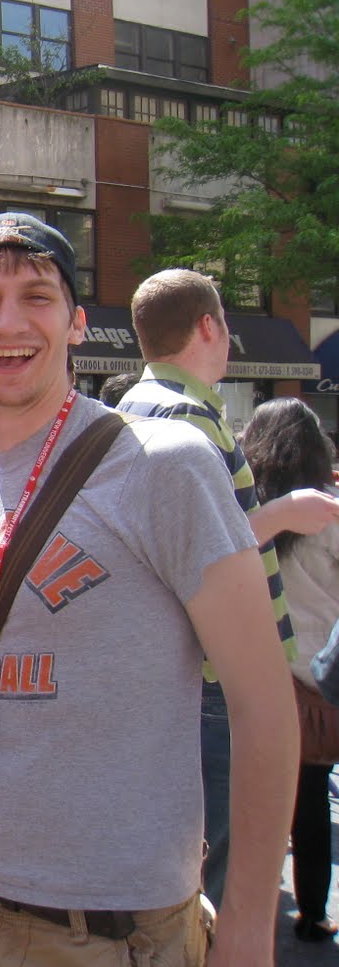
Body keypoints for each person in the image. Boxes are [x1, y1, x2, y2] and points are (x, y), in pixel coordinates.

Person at [0, 213, 297, 967]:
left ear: (77, 323)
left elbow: (266, 712)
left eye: (37, 296)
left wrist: (246, 949)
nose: (10, 322)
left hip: (111, 947)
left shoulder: (165, 466)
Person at [117, 268, 338, 909]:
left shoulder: (136, 406)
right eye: (226, 328)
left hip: (183, 671)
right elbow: (206, 550)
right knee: (214, 879)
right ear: (208, 327)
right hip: (212, 678)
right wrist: (286, 512)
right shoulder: (189, 419)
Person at [240, 398, 339, 943]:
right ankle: (315, 913)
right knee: (312, 794)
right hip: (323, 678)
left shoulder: (248, 513)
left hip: (264, 675)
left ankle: (274, 908)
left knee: (273, 798)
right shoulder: (329, 514)